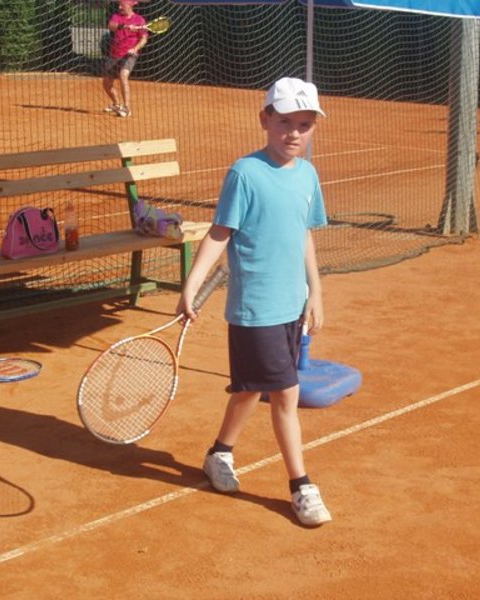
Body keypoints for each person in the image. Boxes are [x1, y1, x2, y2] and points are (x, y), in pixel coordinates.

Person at [176, 77, 331, 526]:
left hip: (292, 305)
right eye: (284, 122)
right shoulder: (245, 173)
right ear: (265, 119)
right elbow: (220, 233)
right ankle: (301, 486)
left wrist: (315, 291)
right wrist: (191, 285)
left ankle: (219, 453)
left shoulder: (307, 174)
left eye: (304, 124)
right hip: (255, 310)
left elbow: (303, 234)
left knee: (249, 388)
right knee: (285, 392)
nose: (294, 133)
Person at [102, 0, 148, 118]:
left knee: (123, 75)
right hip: (114, 54)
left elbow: (144, 39)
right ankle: (116, 104)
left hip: (129, 54)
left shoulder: (139, 20)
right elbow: (111, 26)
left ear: (129, 5)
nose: (119, 7)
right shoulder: (116, 16)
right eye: (119, 5)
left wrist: (135, 48)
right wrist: (126, 26)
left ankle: (126, 108)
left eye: (122, 5)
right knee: (106, 83)